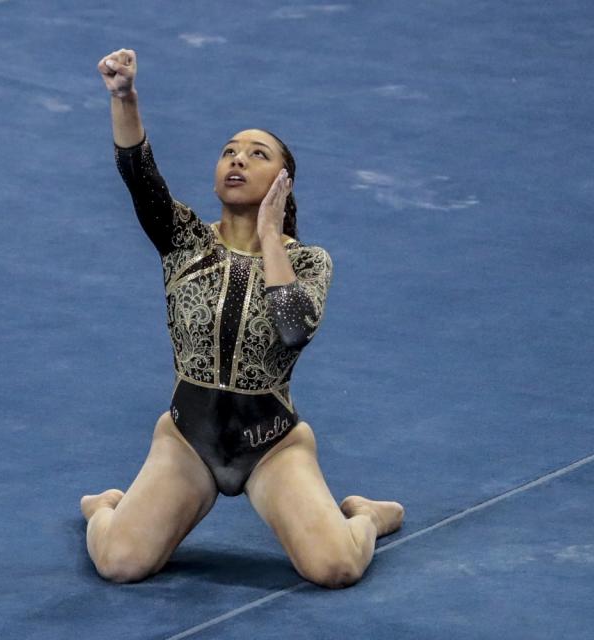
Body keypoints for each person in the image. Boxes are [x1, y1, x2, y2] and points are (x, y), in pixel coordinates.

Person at [80, 48, 404, 589]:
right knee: (120, 563)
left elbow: (293, 328)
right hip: (188, 438)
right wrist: (124, 97)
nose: (237, 160)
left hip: (272, 442)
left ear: (284, 182)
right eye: (229, 151)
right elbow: (140, 176)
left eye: (257, 155)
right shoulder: (184, 242)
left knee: (336, 567)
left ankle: (367, 514)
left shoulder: (307, 261)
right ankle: (104, 508)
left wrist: (271, 236)